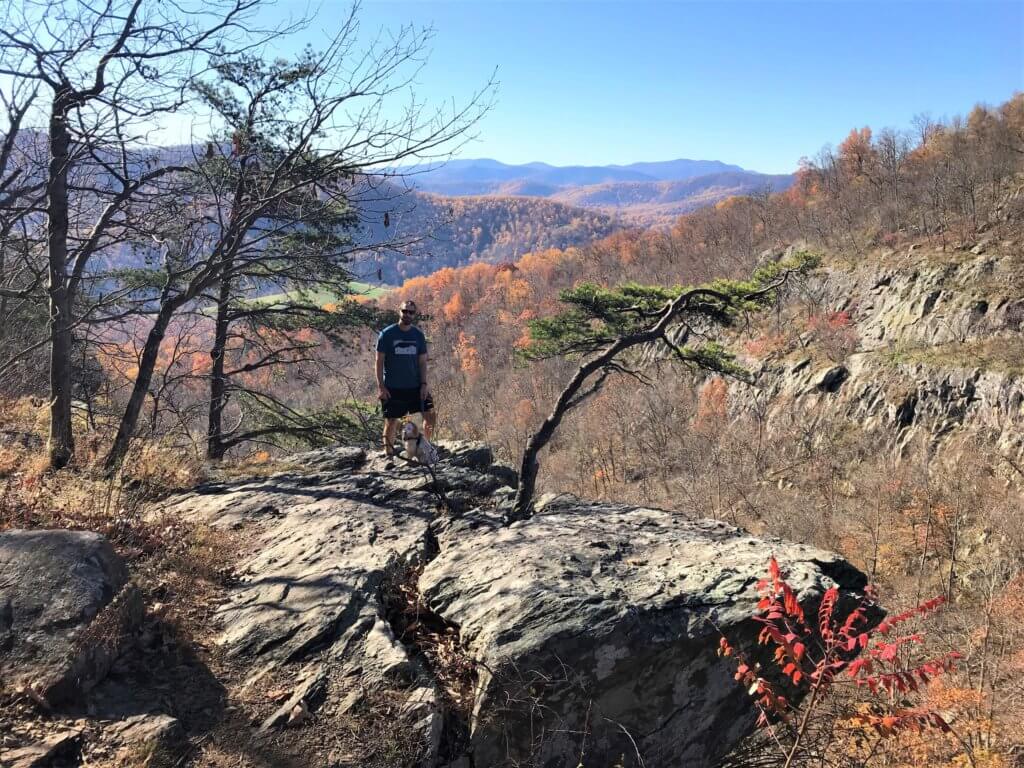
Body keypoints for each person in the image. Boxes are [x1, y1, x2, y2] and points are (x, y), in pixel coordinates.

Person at [375, 300, 436, 456]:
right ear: (399, 311)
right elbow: (379, 361)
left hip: (415, 386)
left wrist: (424, 384)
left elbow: (422, 362)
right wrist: (381, 387)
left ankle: (425, 447)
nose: (407, 314)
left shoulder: (418, 335)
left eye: (411, 312)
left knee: (430, 416)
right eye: (405, 311)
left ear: (414, 315)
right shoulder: (386, 334)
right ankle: (388, 454)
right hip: (393, 387)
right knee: (391, 421)